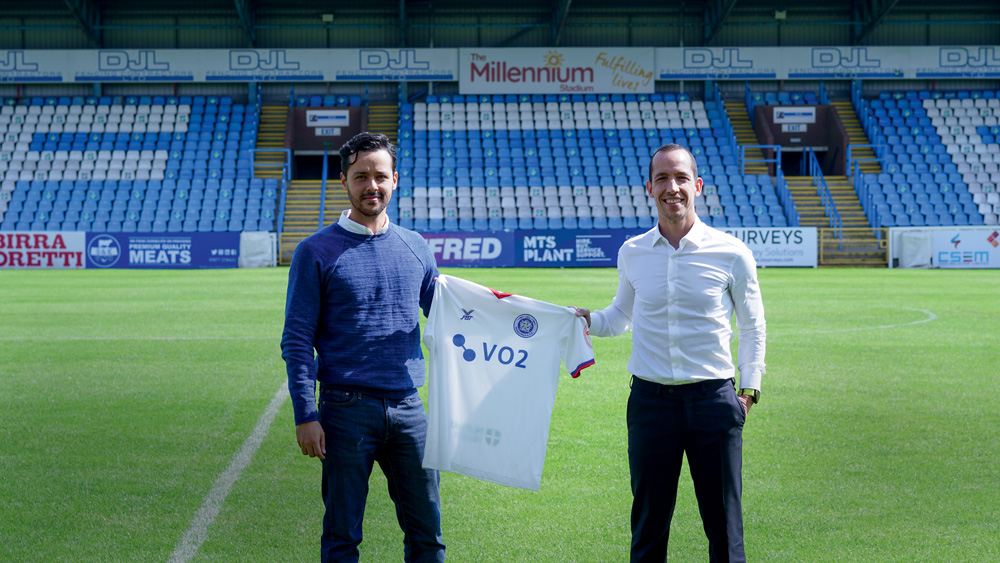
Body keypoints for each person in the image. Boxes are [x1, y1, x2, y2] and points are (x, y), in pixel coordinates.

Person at [574, 143, 766, 563]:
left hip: (714, 402)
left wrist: (749, 392)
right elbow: (621, 314)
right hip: (650, 405)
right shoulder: (633, 251)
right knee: (648, 529)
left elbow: (753, 326)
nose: (672, 187)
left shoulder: (732, 252)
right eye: (662, 178)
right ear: (649, 188)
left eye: (681, 178)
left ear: (697, 186)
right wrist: (588, 319)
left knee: (725, 530)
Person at [281, 131, 445, 563]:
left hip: (410, 410)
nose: (372, 185)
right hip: (344, 411)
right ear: (343, 181)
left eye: (380, 176)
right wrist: (305, 415)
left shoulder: (416, 247)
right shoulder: (314, 252)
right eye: (361, 177)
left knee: (427, 535)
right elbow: (297, 340)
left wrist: (531, 322)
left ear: (395, 180)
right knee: (342, 538)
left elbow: (451, 315)